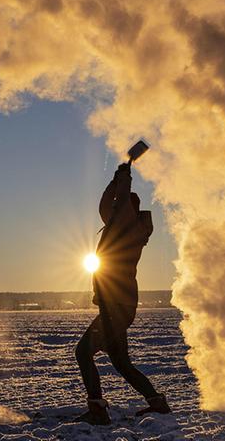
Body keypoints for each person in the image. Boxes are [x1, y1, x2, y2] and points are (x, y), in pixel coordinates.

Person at [74, 162, 171, 425]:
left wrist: (124, 177)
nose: (114, 207)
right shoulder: (119, 224)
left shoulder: (127, 226)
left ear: (127, 208)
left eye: (120, 203)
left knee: (82, 353)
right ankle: (157, 403)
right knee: (121, 363)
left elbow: (116, 205)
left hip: (116, 307)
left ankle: (97, 410)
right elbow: (106, 205)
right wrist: (115, 181)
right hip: (116, 307)